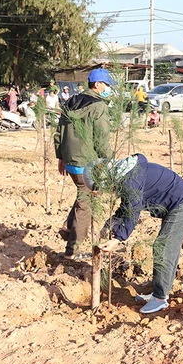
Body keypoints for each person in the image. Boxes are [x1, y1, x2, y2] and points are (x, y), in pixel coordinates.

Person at [88, 154, 183, 314]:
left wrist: (117, 239)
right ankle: (159, 293)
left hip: (181, 204)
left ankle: (160, 298)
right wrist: (109, 225)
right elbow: (125, 207)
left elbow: (132, 212)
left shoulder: (130, 180)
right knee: (167, 248)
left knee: (164, 247)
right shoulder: (124, 173)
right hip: (175, 204)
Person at [53, 68, 115, 257]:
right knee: (86, 205)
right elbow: (102, 139)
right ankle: (73, 250)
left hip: (71, 160)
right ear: (97, 85)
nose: (109, 89)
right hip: (87, 162)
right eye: (107, 85)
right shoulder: (98, 107)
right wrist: (111, 163)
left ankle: (67, 227)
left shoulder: (71, 101)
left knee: (83, 195)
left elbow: (59, 132)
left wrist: (61, 157)